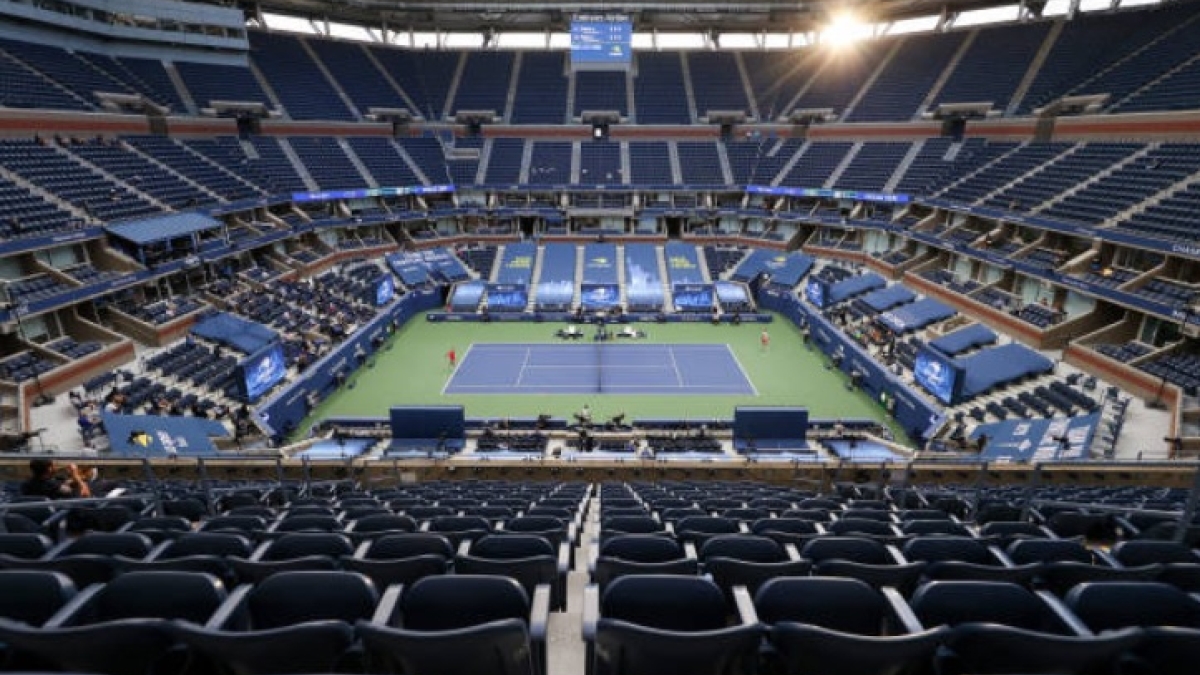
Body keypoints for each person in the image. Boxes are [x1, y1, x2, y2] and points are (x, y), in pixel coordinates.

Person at [21, 458, 91, 499]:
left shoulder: (25, 484)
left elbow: (61, 485)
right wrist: (75, 474)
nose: (56, 466)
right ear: (49, 469)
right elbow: (84, 493)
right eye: (53, 465)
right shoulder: (51, 484)